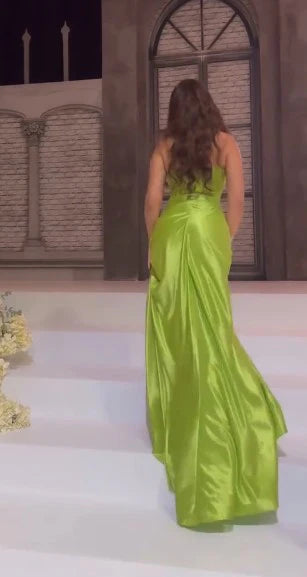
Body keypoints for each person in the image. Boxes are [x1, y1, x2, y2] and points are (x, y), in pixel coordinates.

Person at [144, 79, 287, 528]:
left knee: (176, 324)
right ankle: (244, 410)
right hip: (207, 230)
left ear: (173, 110)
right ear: (208, 105)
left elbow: (152, 203)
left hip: (173, 231)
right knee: (214, 325)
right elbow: (237, 200)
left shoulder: (165, 146)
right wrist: (225, 239)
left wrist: (154, 245)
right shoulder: (225, 143)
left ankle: (184, 408)